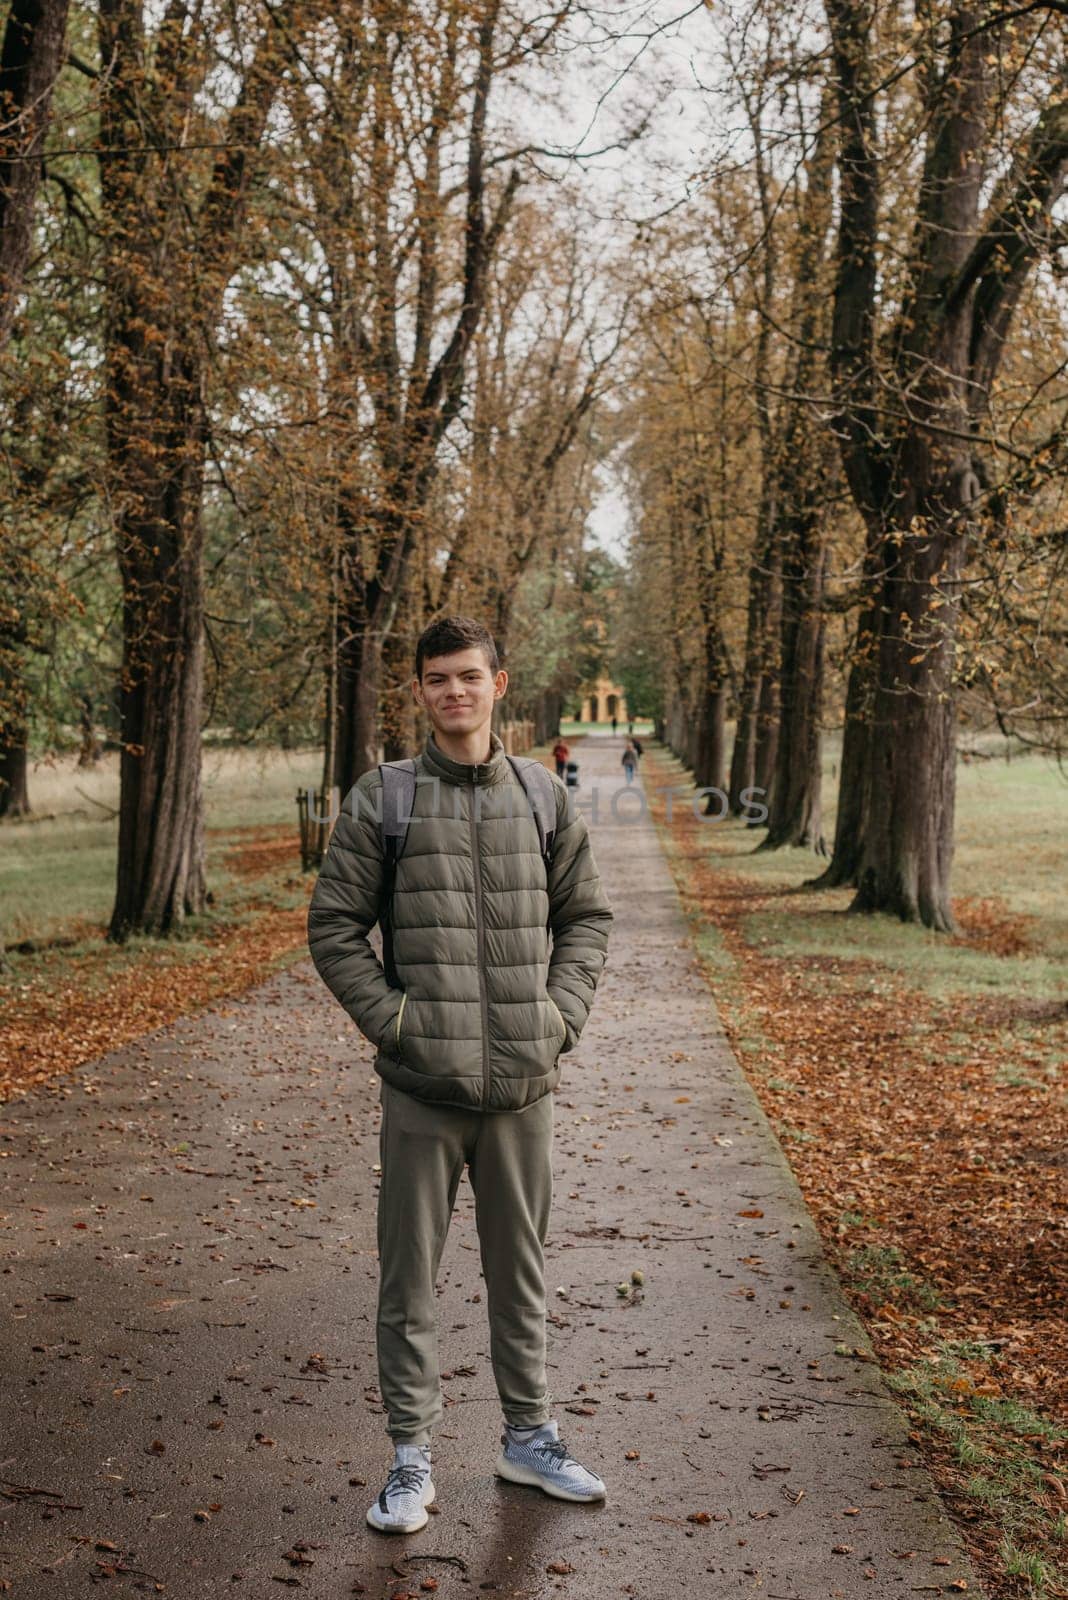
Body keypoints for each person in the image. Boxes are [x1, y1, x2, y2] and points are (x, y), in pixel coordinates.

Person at [307, 615, 614, 1535]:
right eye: (438, 679)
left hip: (523, 1086)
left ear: (499, 685)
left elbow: (587, 918)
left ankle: (529, 1439)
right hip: (422, 1089)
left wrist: (558, 1019)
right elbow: (334, 929)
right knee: (410, 1279)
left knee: (520, 1270)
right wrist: (397, 1026)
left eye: (469, 676)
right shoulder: (385, 799)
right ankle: (410, 1460)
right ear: (420, 692)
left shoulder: (542, 797)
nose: (454, 692)